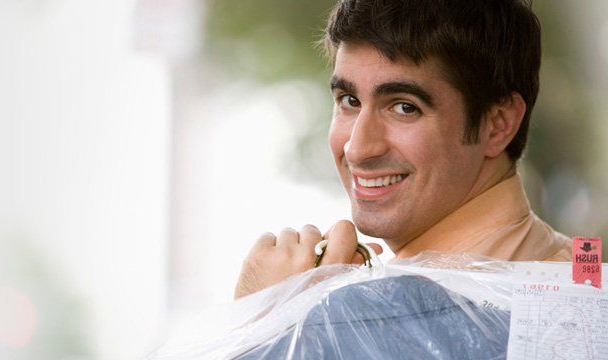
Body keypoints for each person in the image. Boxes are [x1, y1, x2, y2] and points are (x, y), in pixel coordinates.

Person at [235, 0, 572, 299]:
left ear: (497, 124)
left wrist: (264, 322)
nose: (357, 149)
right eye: (349, 101)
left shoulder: (537, 310)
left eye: (404, 107)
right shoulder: (570, 275)